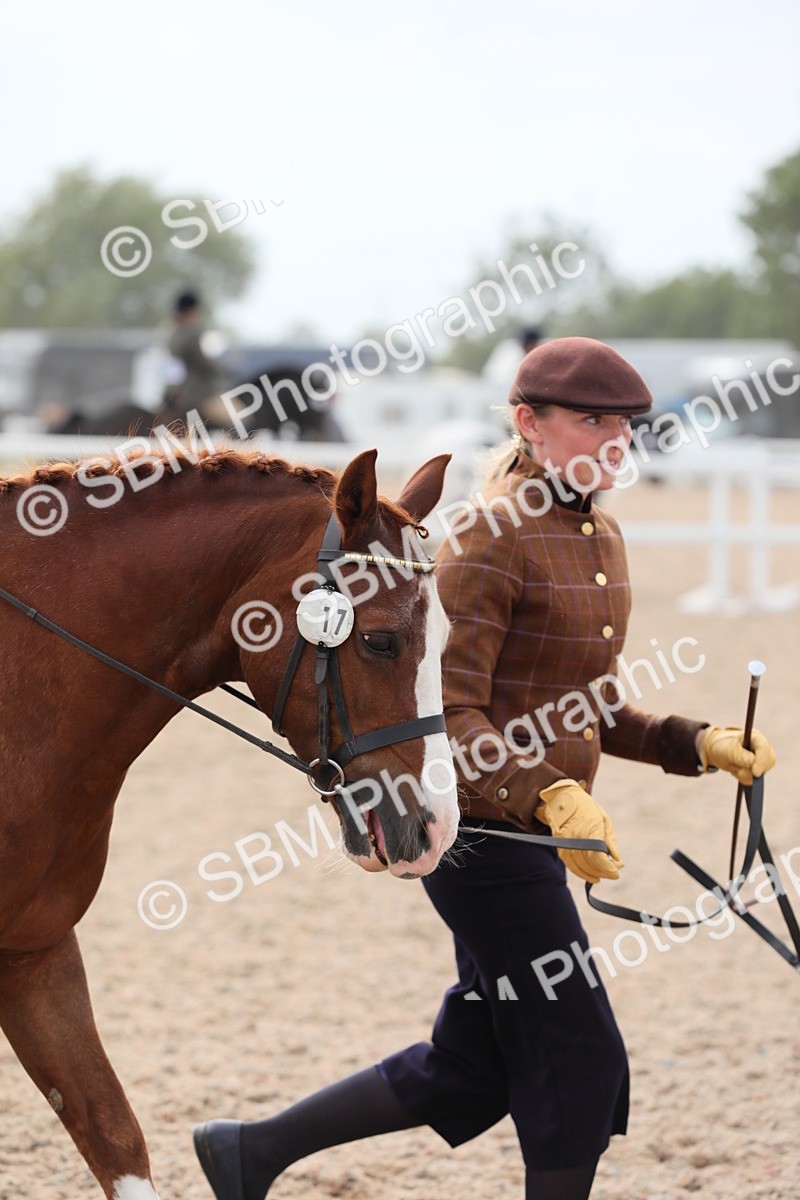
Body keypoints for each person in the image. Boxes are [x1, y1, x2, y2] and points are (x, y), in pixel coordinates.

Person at [192, 337, 776, 1200]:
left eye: (625, 423)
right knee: (579, 1061)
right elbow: (447, 713)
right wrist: (552, 794)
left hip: (534, 837)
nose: (614, 438)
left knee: (476, 1062)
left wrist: (694, 742)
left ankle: (250, 1151)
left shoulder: (597, 533)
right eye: (590, 420)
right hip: (484, 843)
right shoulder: (485, 538)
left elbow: (590, 706)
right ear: (529, 422)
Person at [163, 288, 228, 418]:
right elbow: (203, 362)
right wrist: (223, 370)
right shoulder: (193, 332)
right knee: (240, 419)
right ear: (192, 310)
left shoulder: (171, 333)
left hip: (172, 393)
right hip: (197, 394)